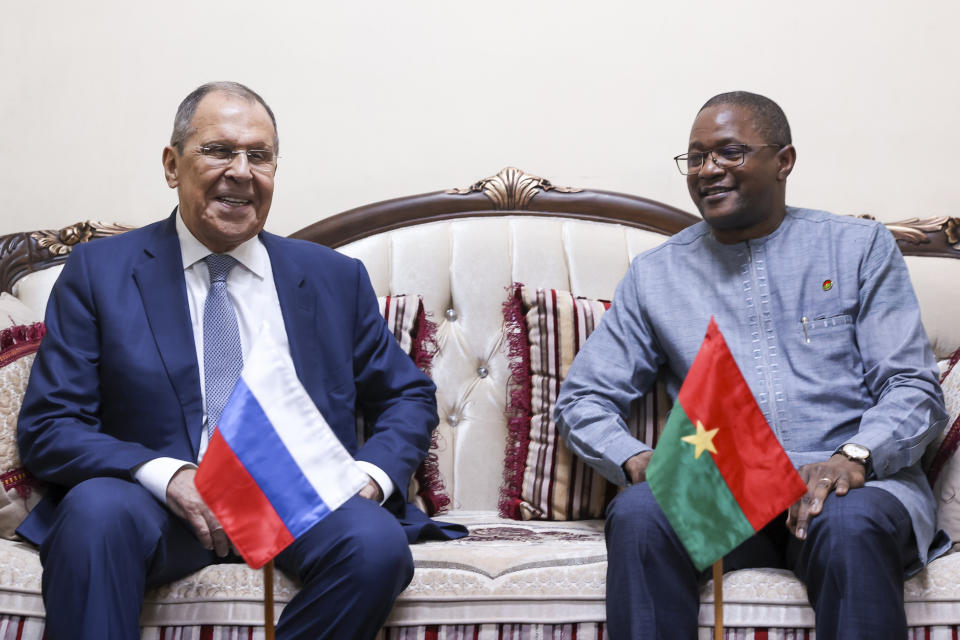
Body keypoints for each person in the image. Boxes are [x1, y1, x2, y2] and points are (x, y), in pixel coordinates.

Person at [16, 81, 464, 639]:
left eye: (260, 155)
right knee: (94, 514)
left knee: (375, 545)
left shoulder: (332, 278)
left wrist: (368, 479)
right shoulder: (99, 272)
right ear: (171, 164)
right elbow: (50, 426)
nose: (241, 171)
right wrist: (170, 475)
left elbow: (406, 393)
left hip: (293, 498)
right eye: (219, 150)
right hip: (153, 503)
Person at [555, 91, 949, 639]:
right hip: (724, 490)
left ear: (783, 161)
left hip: (849, 487)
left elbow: (911, 385)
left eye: (729, 152)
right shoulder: (656, 276)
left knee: (850, 524)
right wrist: (635, 459)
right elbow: (582, 398)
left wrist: (854, 456)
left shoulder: (858, 249)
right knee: (642, 515)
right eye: (695, 158)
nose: (708, 170)